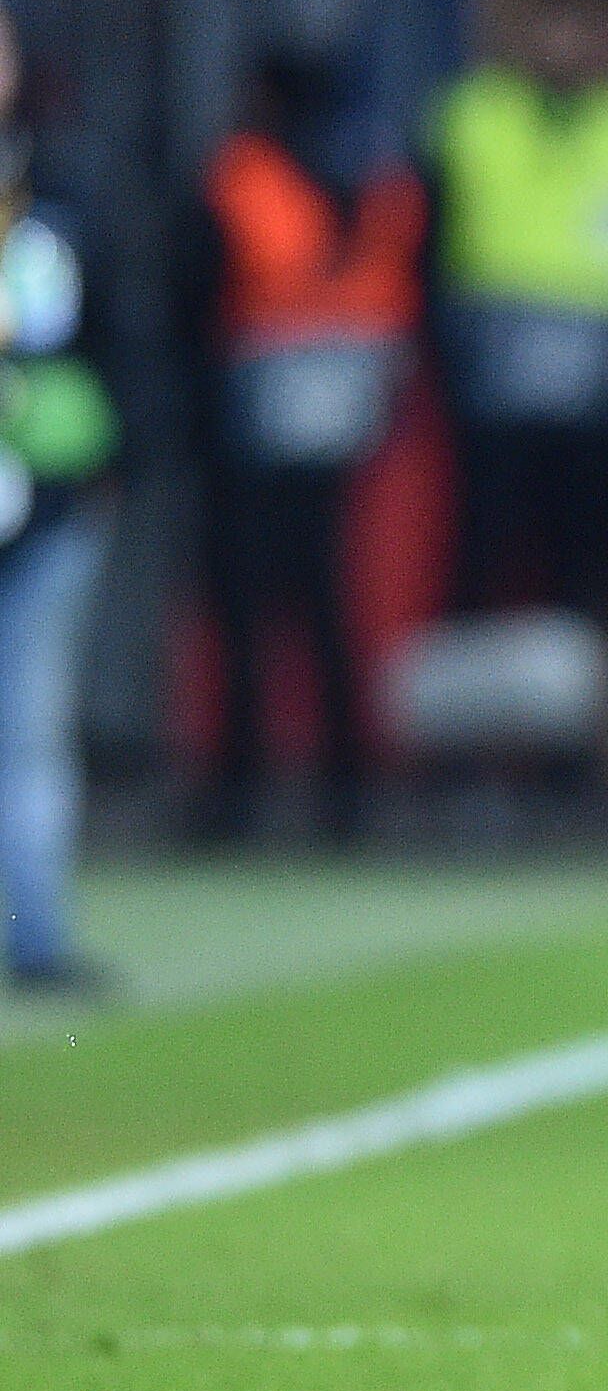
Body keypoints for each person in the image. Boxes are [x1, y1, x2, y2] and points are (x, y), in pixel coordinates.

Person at [184, 53, 425, 841]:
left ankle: (246, 787)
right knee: (322, 600)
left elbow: (199, 296)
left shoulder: (245, 175)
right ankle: (340, 785)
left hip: (256, 412)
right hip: (346, 406)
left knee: (253, 602)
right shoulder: (381, 180)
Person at [429, 0, 608, 619]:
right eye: (553, 27)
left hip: (597, 349)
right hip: (496, 339)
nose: (564, 44)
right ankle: (470, 683)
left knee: (581, 533)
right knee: (485, 524)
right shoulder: (474, 110)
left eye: (581, 29)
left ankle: (570, 677)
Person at [0, 2, 120, 994]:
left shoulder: (67, 197)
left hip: (43, 503)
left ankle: (35, 932)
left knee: (32, 729)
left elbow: (119, 343)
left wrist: (110, 465)